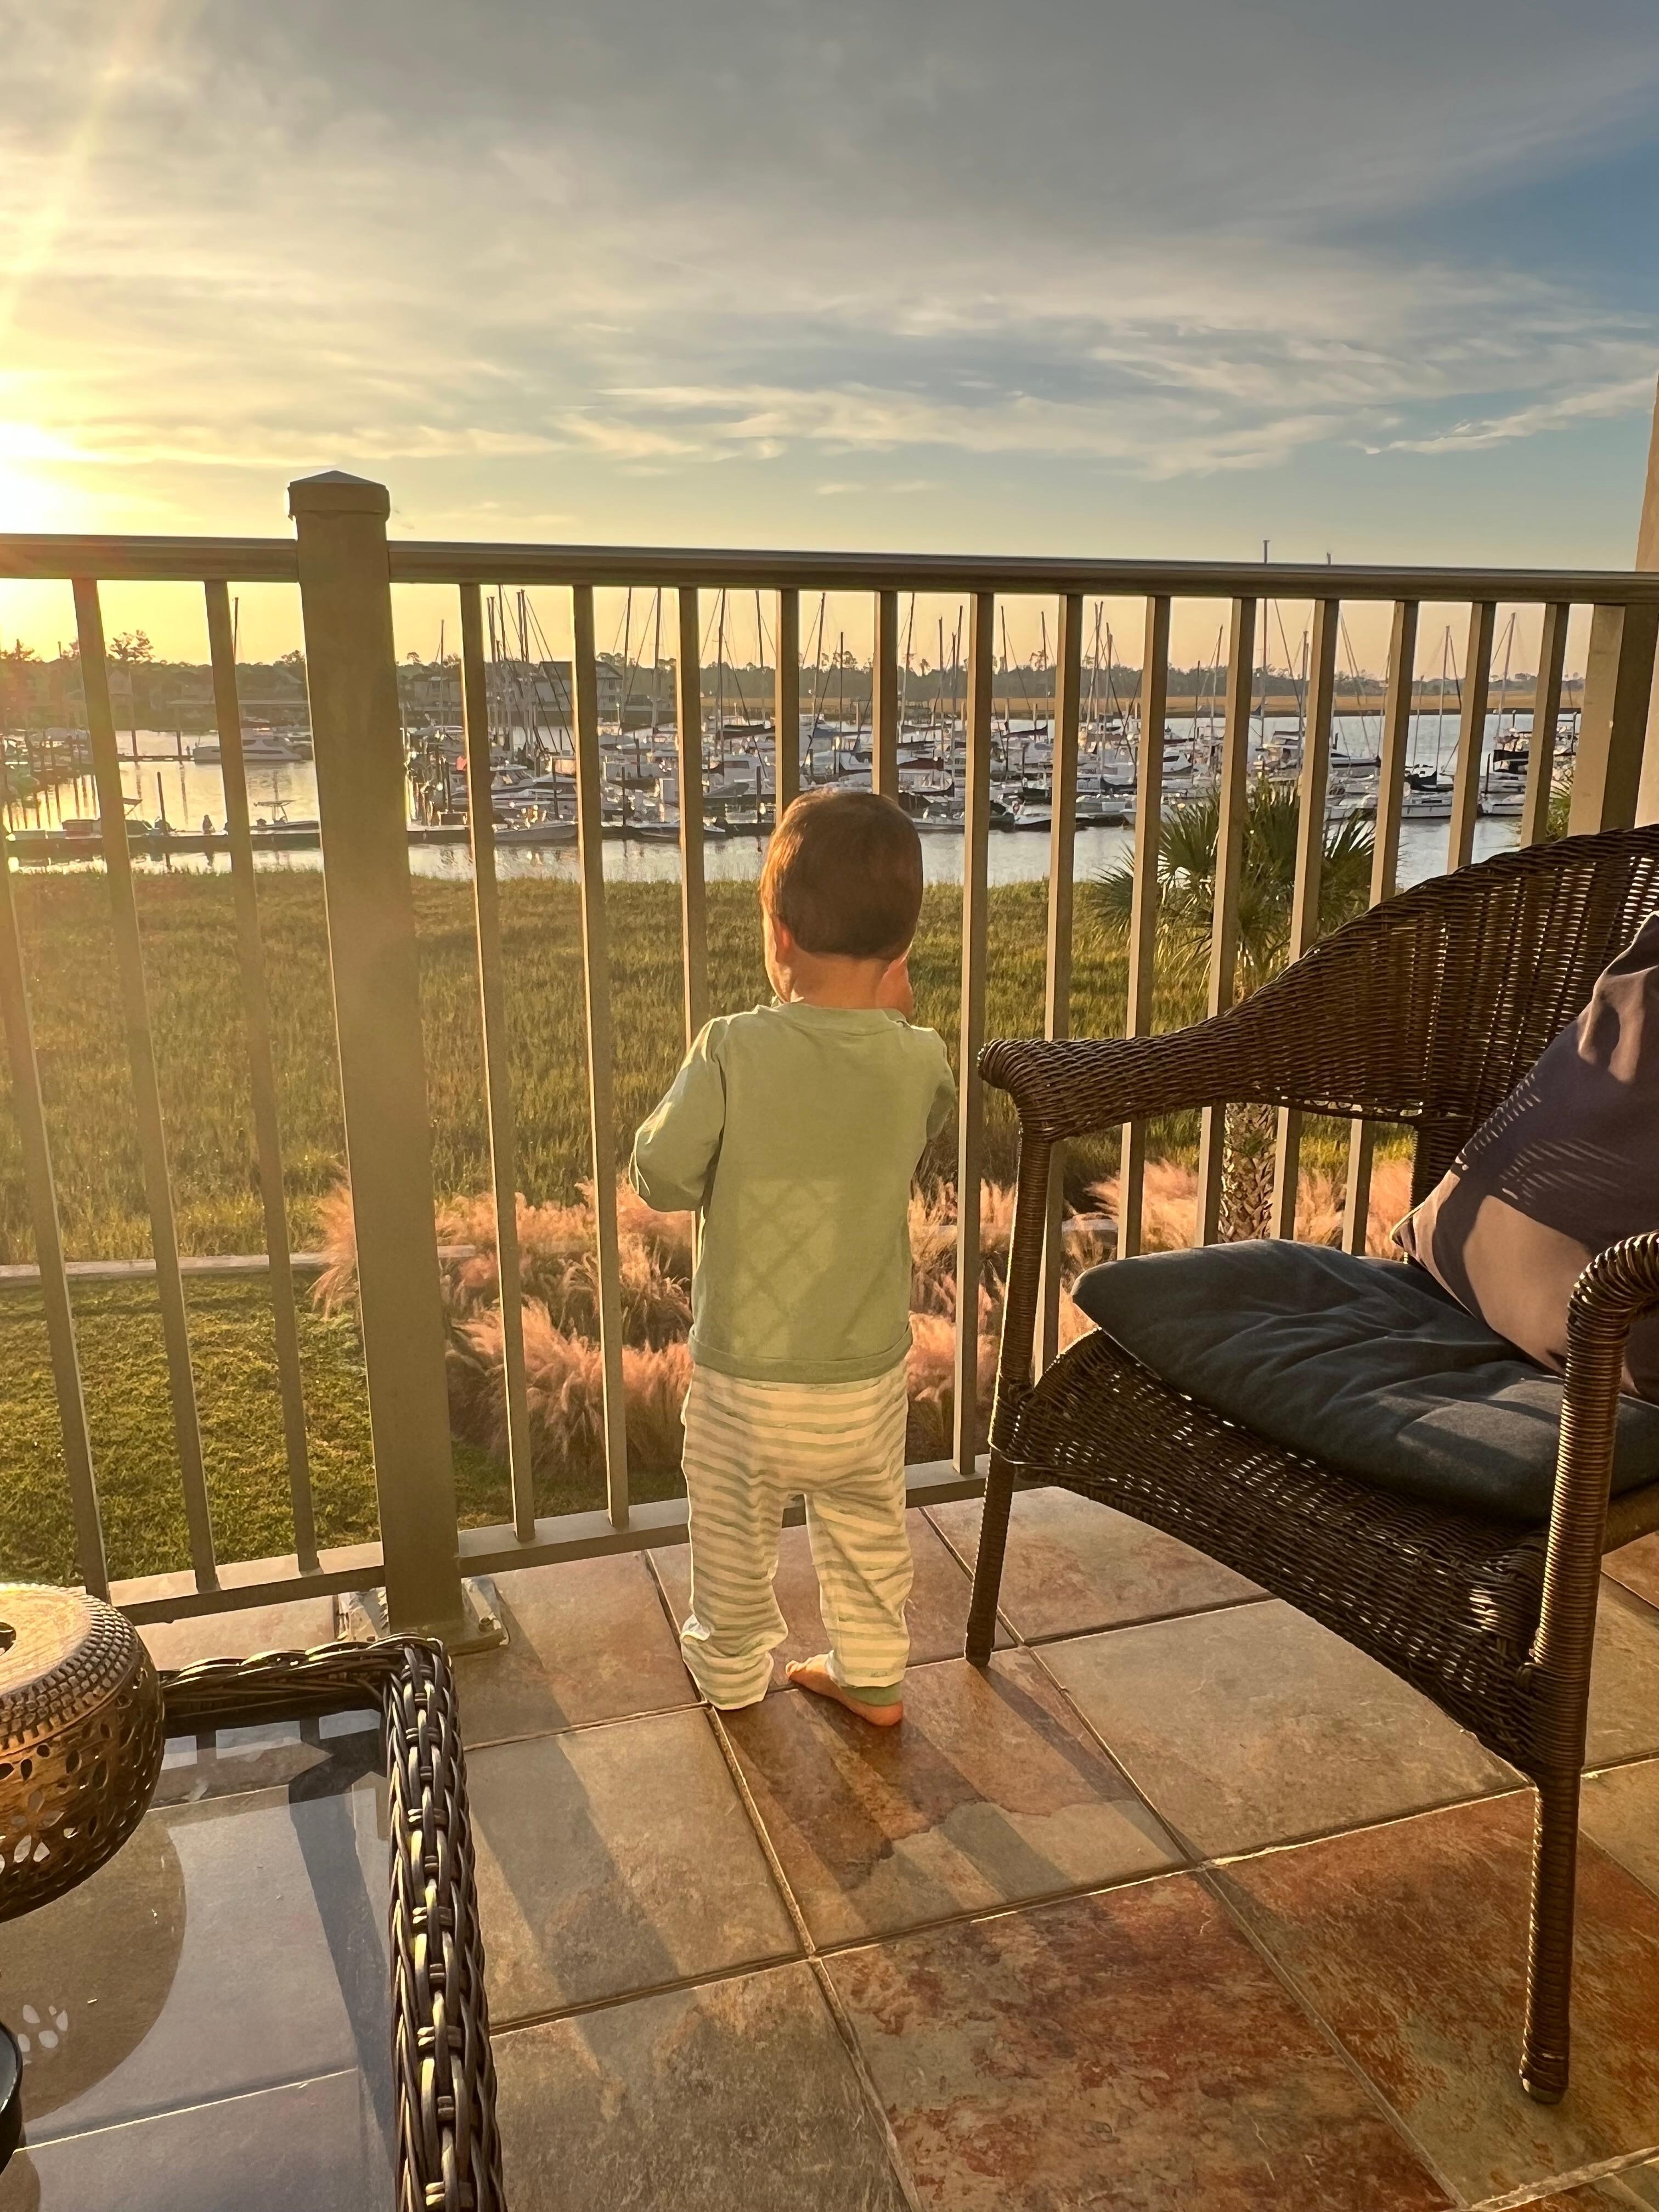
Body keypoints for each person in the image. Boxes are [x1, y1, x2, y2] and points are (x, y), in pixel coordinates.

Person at [631, 788, 955, 1726]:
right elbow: (914, 1132)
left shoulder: (734, 1049)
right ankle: (872, 1674)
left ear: (778, 929)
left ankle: (734, 1679)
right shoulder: (916, 1056)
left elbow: (660, 1174)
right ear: (903, 947)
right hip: (864, 1377)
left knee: (731, 1537)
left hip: (746, 1379)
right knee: (865, 1528)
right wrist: (893, 1018)